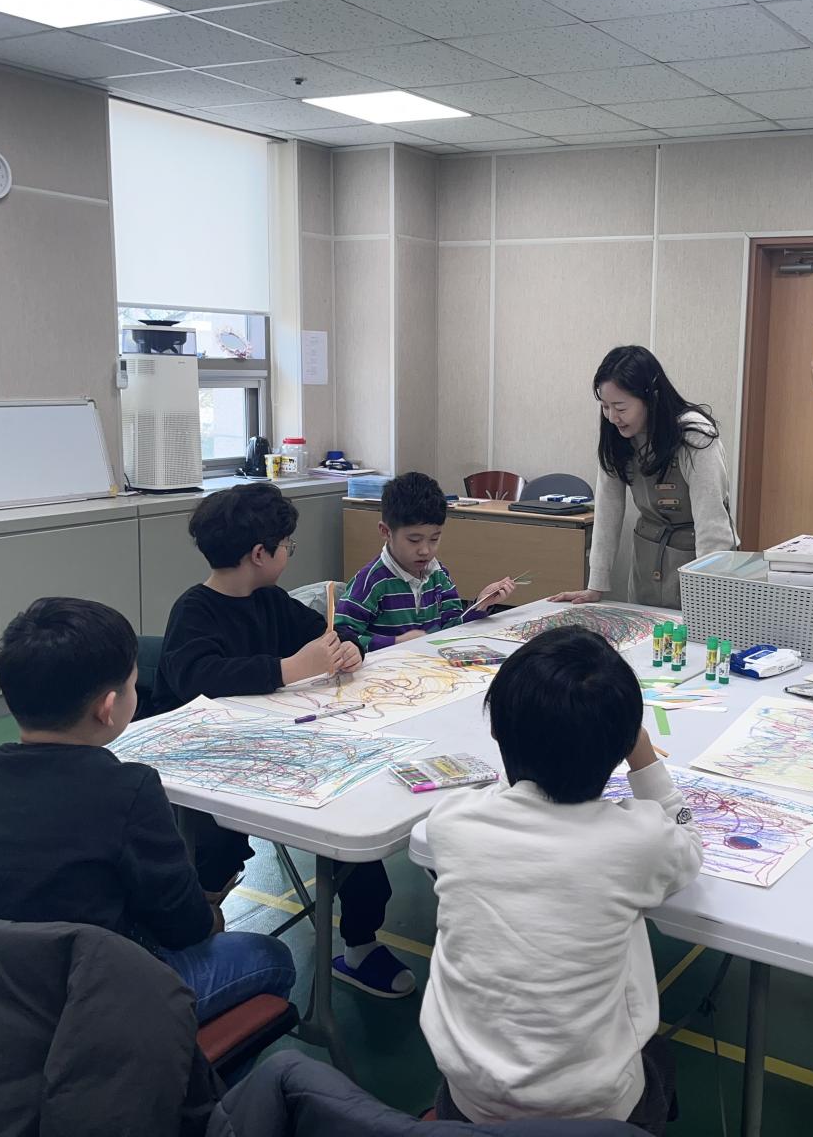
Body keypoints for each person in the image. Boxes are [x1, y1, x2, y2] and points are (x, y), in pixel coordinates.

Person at [0, 597, 295, 1023]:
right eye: (134, 685)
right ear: (107, 707)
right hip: (92, 999)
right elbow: (185, 927)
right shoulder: (128, 790)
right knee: (271, 956)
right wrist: (209, 913)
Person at [419, 628, 704, 1131]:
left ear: (496, 731)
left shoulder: (451, 821)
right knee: (659, 1058)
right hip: (595, 1113)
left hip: (468, 1103)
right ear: (621, 745)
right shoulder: (638, 841)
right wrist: (643, 757)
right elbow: (690, 847)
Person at [155, 482, 413, 1000]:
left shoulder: (271, 601)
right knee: (218, 845)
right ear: (260, 553)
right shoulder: (195, 611)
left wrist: (348, 648)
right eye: (286, 545)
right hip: (211, 768)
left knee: (353, 825)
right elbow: (198, 677)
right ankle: (197, 918)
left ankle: (360, 946)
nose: (289, 553)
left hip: (287, 751)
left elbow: (328, 633)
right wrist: (288, 668)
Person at [551, 345, 736, 609]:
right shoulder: (616, 435)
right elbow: (608, 510)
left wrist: (710, 596)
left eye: (620, 407)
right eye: (605, 407)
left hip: (696, 559)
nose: (612, 417)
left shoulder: (694, 435)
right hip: (647, 556)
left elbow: (712, 523)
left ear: (652, 397)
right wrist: (595, 585)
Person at [332, 471, 516, 652]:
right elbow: (341, 638)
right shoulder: (371, 582)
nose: (425, 550)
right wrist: (395, 642)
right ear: (386, 532)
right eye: (414, 540)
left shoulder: (438, 574)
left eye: (434, 539)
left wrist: (480, 604)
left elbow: (451, 627)